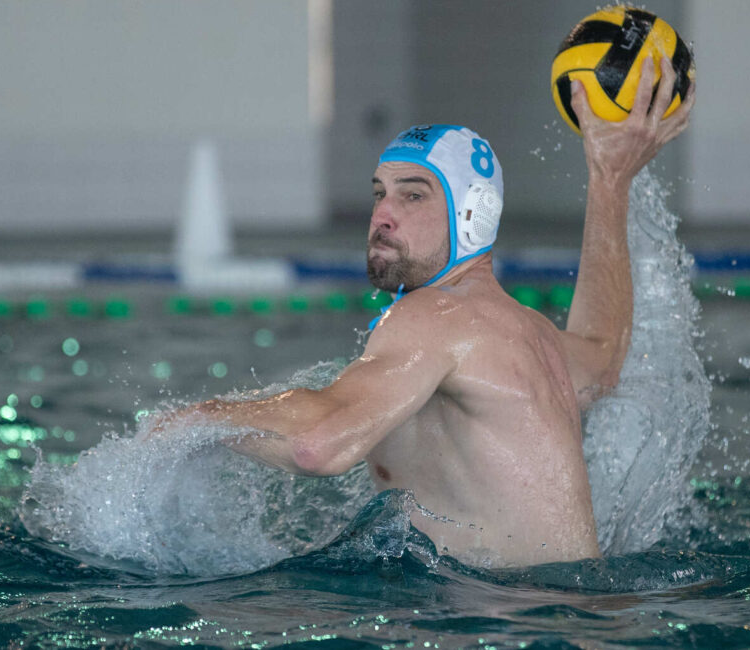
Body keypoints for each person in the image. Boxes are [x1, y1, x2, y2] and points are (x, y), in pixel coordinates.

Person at [152, 56, 694, 568]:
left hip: (507, 623)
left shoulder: (433, 317)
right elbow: (604, 355)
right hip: (580, 618)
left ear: (471, 215)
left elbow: (318, 444)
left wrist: (195, 420)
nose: (382, 214)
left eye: (413, 196)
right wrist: (610, 178)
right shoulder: (530, 333)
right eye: (379, 193)